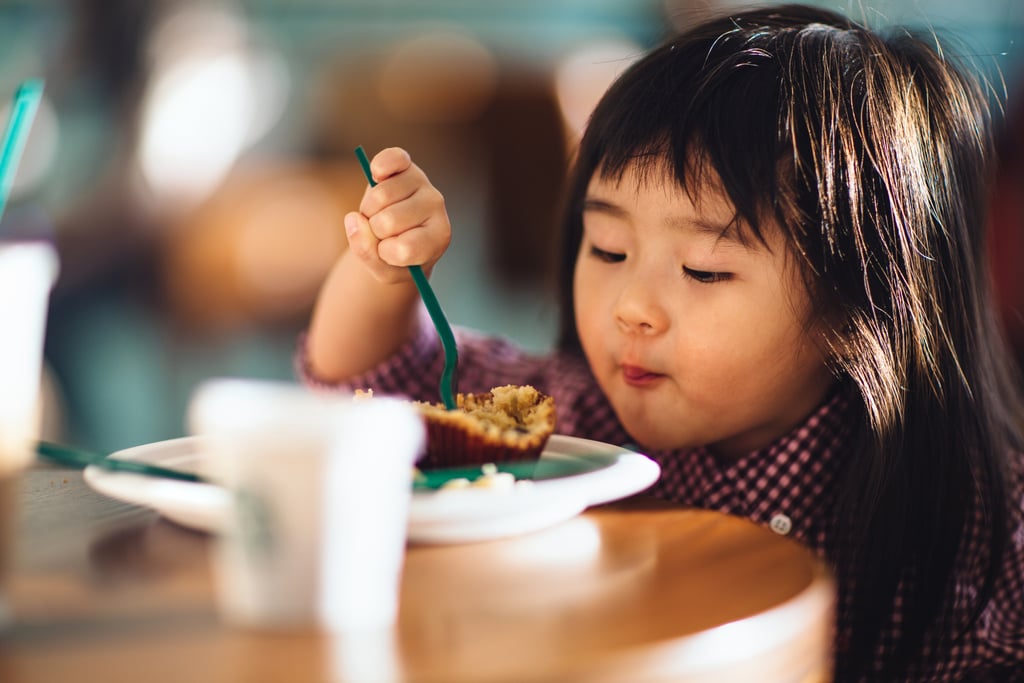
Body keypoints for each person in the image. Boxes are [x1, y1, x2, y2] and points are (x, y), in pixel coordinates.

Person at [300, 5, 1024, 680]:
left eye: (703, 269)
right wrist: (384, 277)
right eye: (608, 248)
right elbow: (372, 384)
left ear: (856, 308)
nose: (632, 308)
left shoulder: (974, 531)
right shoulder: (566, 420)